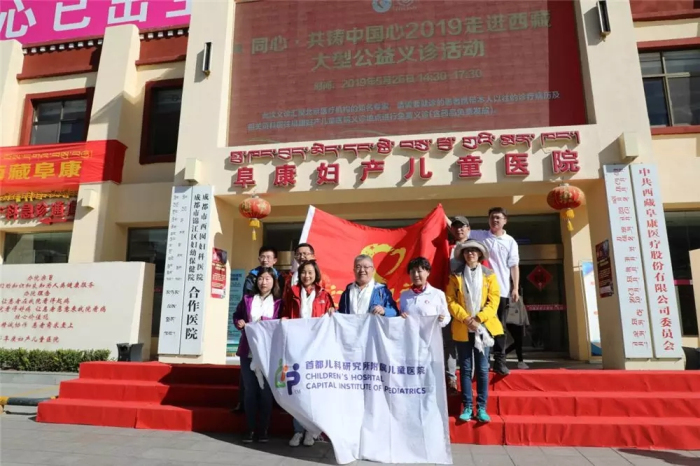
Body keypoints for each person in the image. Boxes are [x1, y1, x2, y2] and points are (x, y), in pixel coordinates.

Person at [446, 240, 503, 424]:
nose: (470, 253)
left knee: (483, 368)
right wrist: (466, 318)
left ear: (480, 255)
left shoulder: (489, 275)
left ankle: (482, 407)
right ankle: (468, 406)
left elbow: (494, 300)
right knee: (465, 368)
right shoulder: (455, 275)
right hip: (463, 326)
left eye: (474, 251)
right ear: (463, 255)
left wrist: (478, 319)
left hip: (482, 327)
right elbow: (450, 300)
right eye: (467, 251)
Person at [282, 260, 335, 448]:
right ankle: (298, 431)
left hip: (316, 349)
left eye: (310, 272)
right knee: (297, 389)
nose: (307, 276)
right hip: (296, 348)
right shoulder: (292, 292)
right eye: (304, 272)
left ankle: (312, 432)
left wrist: (332, 311)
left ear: (316, 274)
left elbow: (331, 316)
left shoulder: (324, 295)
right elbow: (285, 312)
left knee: (314, 390)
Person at [232, 267, 282, 443]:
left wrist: (264, 322)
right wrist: (239, 322)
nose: (263, 282)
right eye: (261, 279)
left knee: (266, 392)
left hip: (268, 353)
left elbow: (282, 322)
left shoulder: (279, 302)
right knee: (250, 390)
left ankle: (263, 430)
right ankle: (250, 429)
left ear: (274, 282)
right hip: (248, 350)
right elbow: (237, 315)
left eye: (267, 279)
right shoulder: (247, 299)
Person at [469, 207, 519, 375]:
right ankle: (482, 361)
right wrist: (442, 215)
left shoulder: (510, 241)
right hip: (481, 291)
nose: (494, 220)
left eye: (498, 217)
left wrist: (515, 288)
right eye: (492, 217)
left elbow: (514, 266)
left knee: (499, 327)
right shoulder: (481, 236)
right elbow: (460, 230)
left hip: (502, 290)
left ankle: (499, 361)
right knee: (480, 325)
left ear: (505, 220)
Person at [444, 216, 470, 392]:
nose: (459, 230)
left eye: (462, 226)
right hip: (449, 301)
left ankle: (470, 376)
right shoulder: (447, 248)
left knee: (470, 341)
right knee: (450, 341)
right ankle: (451, 378)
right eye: (455, 227)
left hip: (470, 302)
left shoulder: (475, 248)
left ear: (468, 229)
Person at [399, 257, 451, 328]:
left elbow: (446, 317)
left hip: (431, 334)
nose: (416, 275)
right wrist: (401, 317)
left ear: (428, 272)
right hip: (410, 334)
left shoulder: (438, 294)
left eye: (419, 271)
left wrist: (442, 320)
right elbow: (401, 317)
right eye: (413, 272)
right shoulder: (404, 295)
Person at [505, 286, 529, 369]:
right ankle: (520, 361)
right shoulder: (507, 298)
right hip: (511, 322)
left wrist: (526, 322)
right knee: (518, 342)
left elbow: (523, 311)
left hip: (519, 323)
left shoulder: (520, 298)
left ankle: (504, 353)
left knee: (518, 342)